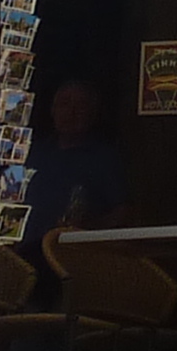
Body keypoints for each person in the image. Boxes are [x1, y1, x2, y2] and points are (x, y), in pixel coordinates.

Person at [24, 78, 126, 259]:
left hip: (72, 255)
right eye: (64, 104)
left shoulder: (103, 158)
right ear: (53, 110)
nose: (71, 113)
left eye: (80, 106)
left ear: (93, 113)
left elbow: (122, 211)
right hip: (23, 251)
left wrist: (87, 231)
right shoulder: (33, 152)